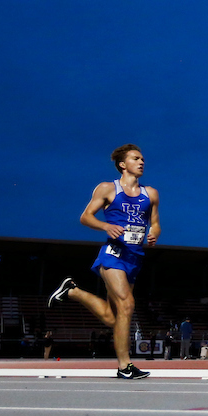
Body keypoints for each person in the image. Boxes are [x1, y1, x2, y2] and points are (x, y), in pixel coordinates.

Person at [48, 144, 160, 380]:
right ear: (122, 164)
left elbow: (156, 222)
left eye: (142, 159)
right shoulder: (108, 188)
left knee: (113, 316)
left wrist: (154, 233)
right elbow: (85, 217)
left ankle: (73, 291)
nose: (141, 162)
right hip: (113, 253)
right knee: (128, 305)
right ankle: (125, 366)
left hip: (135, 258)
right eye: (135, 158)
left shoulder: (151, 193)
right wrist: (106, 226)